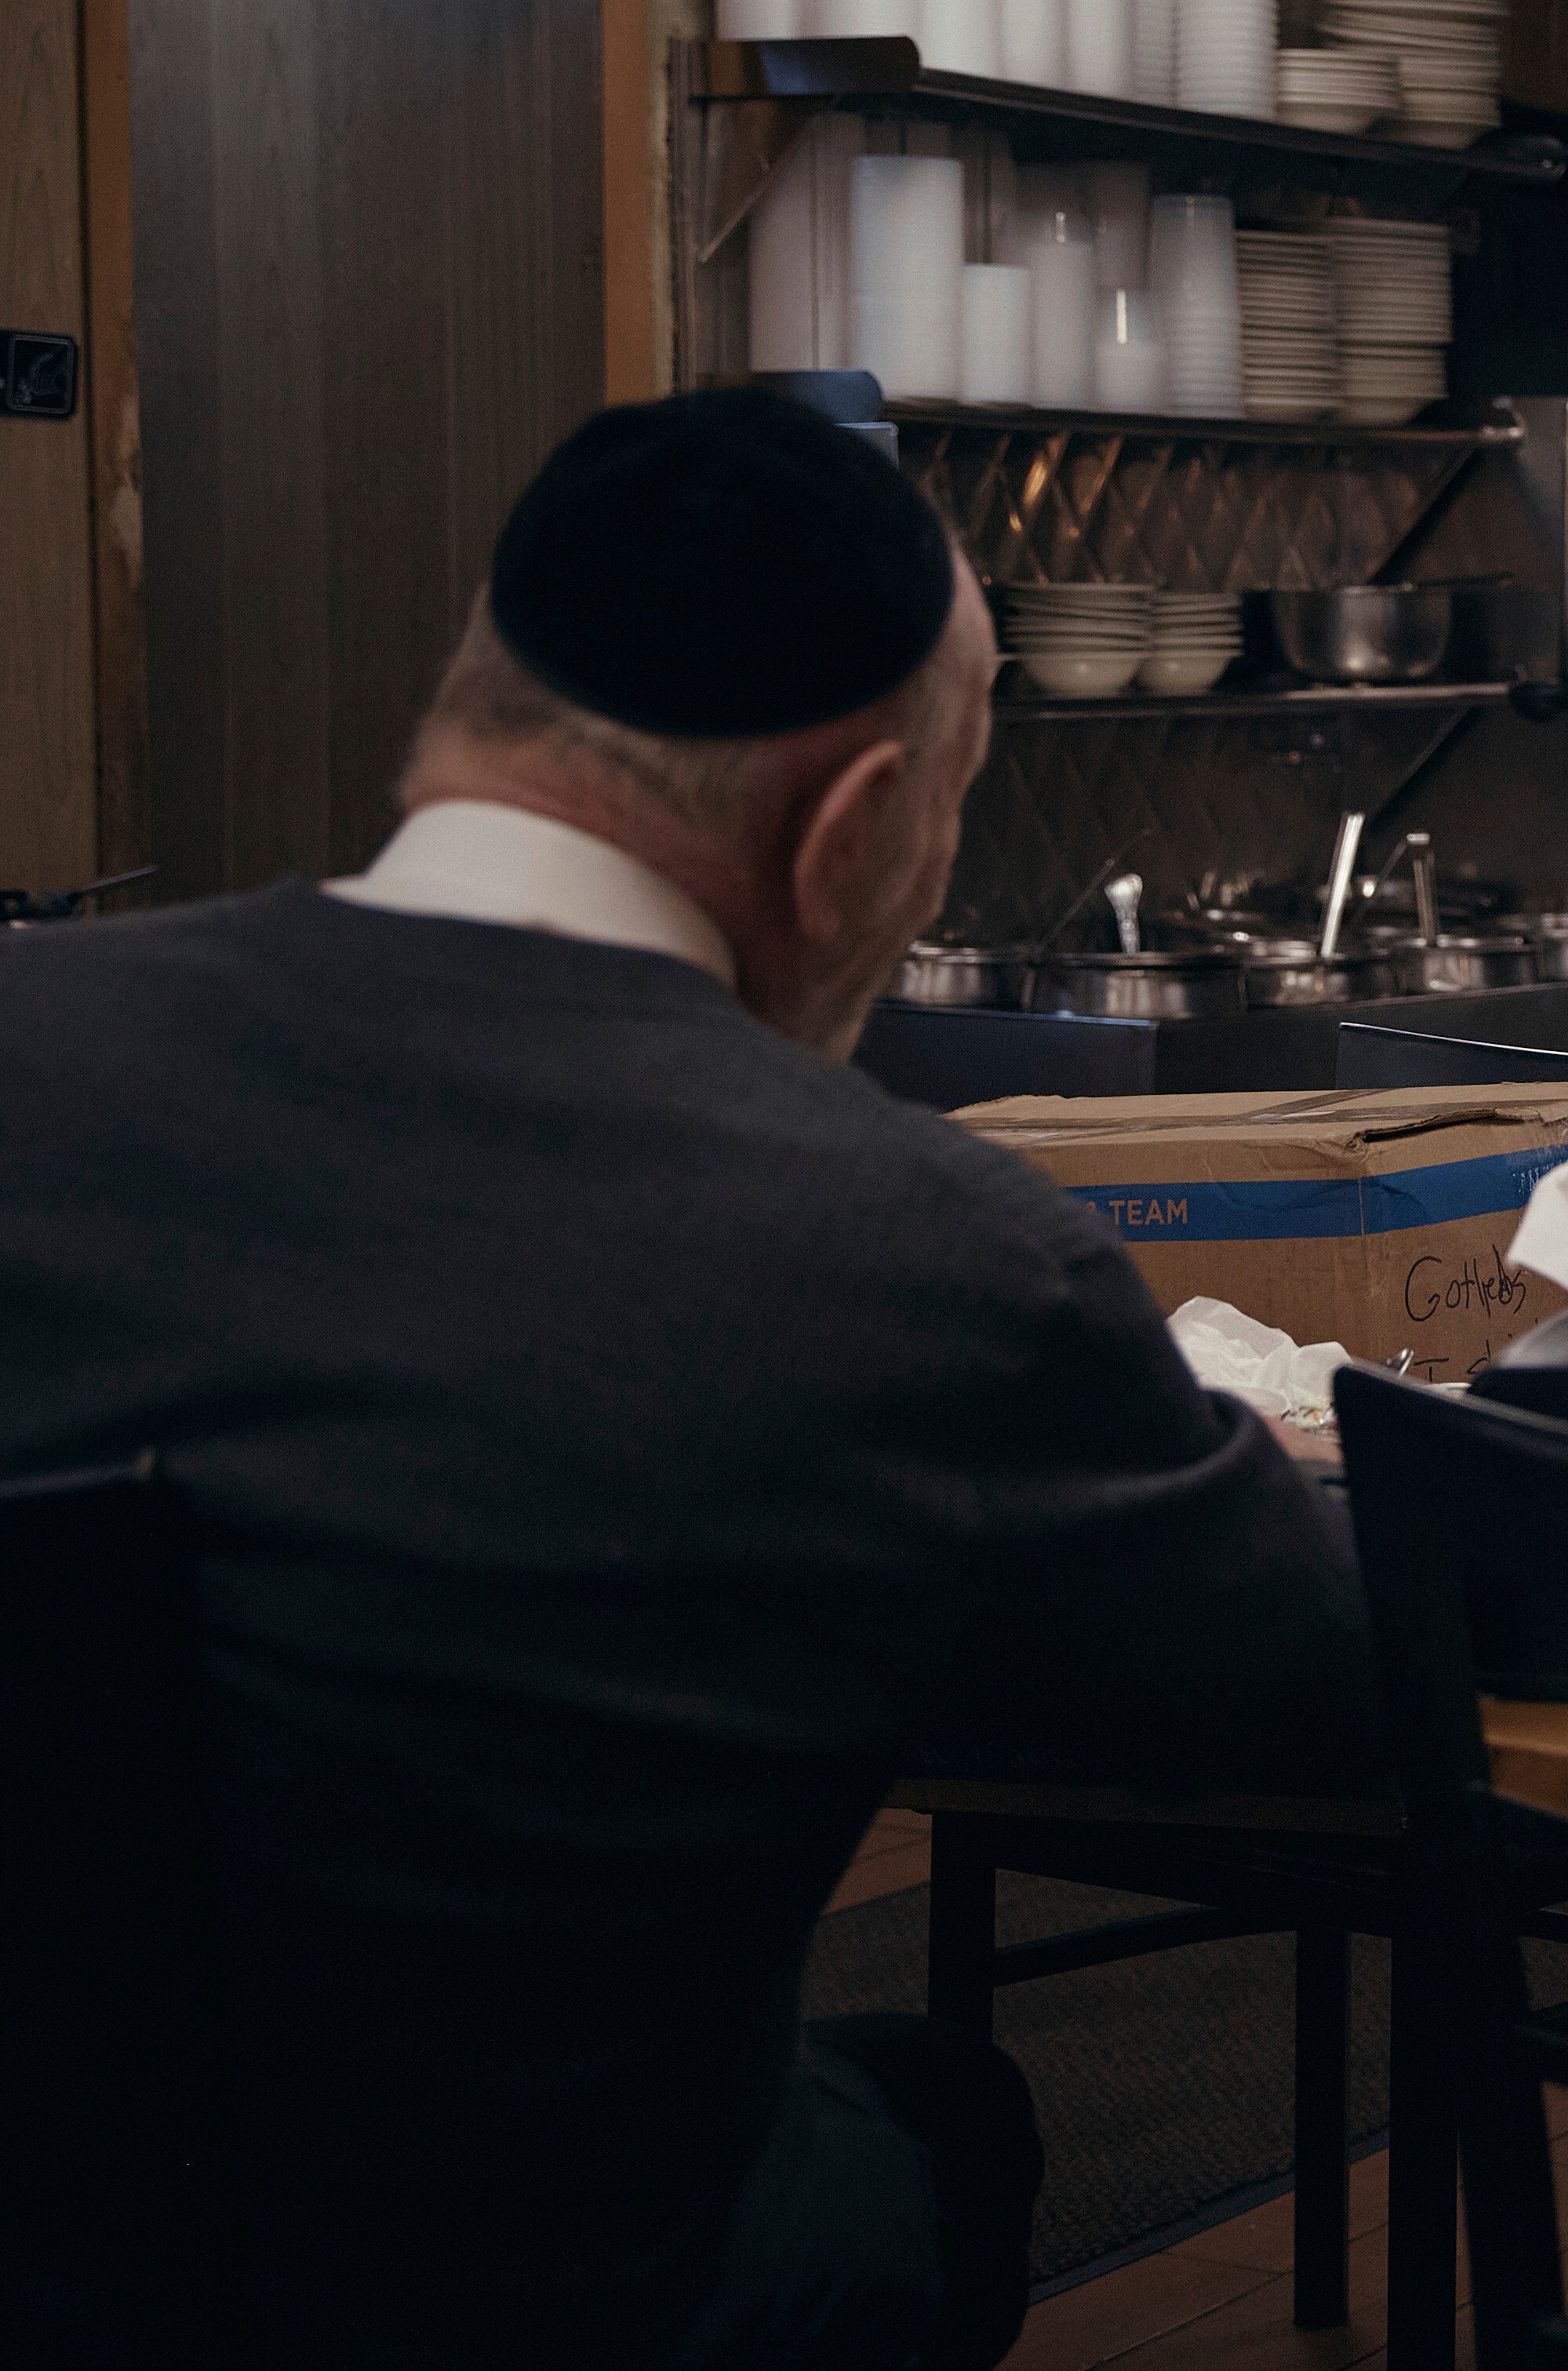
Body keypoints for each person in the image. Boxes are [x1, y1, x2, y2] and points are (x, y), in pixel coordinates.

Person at [0, 388, 1379, 2370]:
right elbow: (1320, 1681)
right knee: (941, 2117)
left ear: (475, 696)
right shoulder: (907, 1253)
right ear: (842, 835)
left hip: (65, 2243)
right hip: (526, 2286)